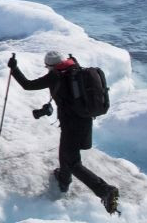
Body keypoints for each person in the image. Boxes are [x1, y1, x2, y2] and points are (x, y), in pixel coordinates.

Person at [8, 51, 119, 214]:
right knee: (65, 153)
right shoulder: (75, 68)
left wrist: (14, 68)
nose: (47, 69)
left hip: (71, 125)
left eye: (47, 66)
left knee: (73, 162)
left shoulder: (55, 76)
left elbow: (27, 85)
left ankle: (105, 190)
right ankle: (63, 180)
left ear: (51, 66)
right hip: (85, 119)